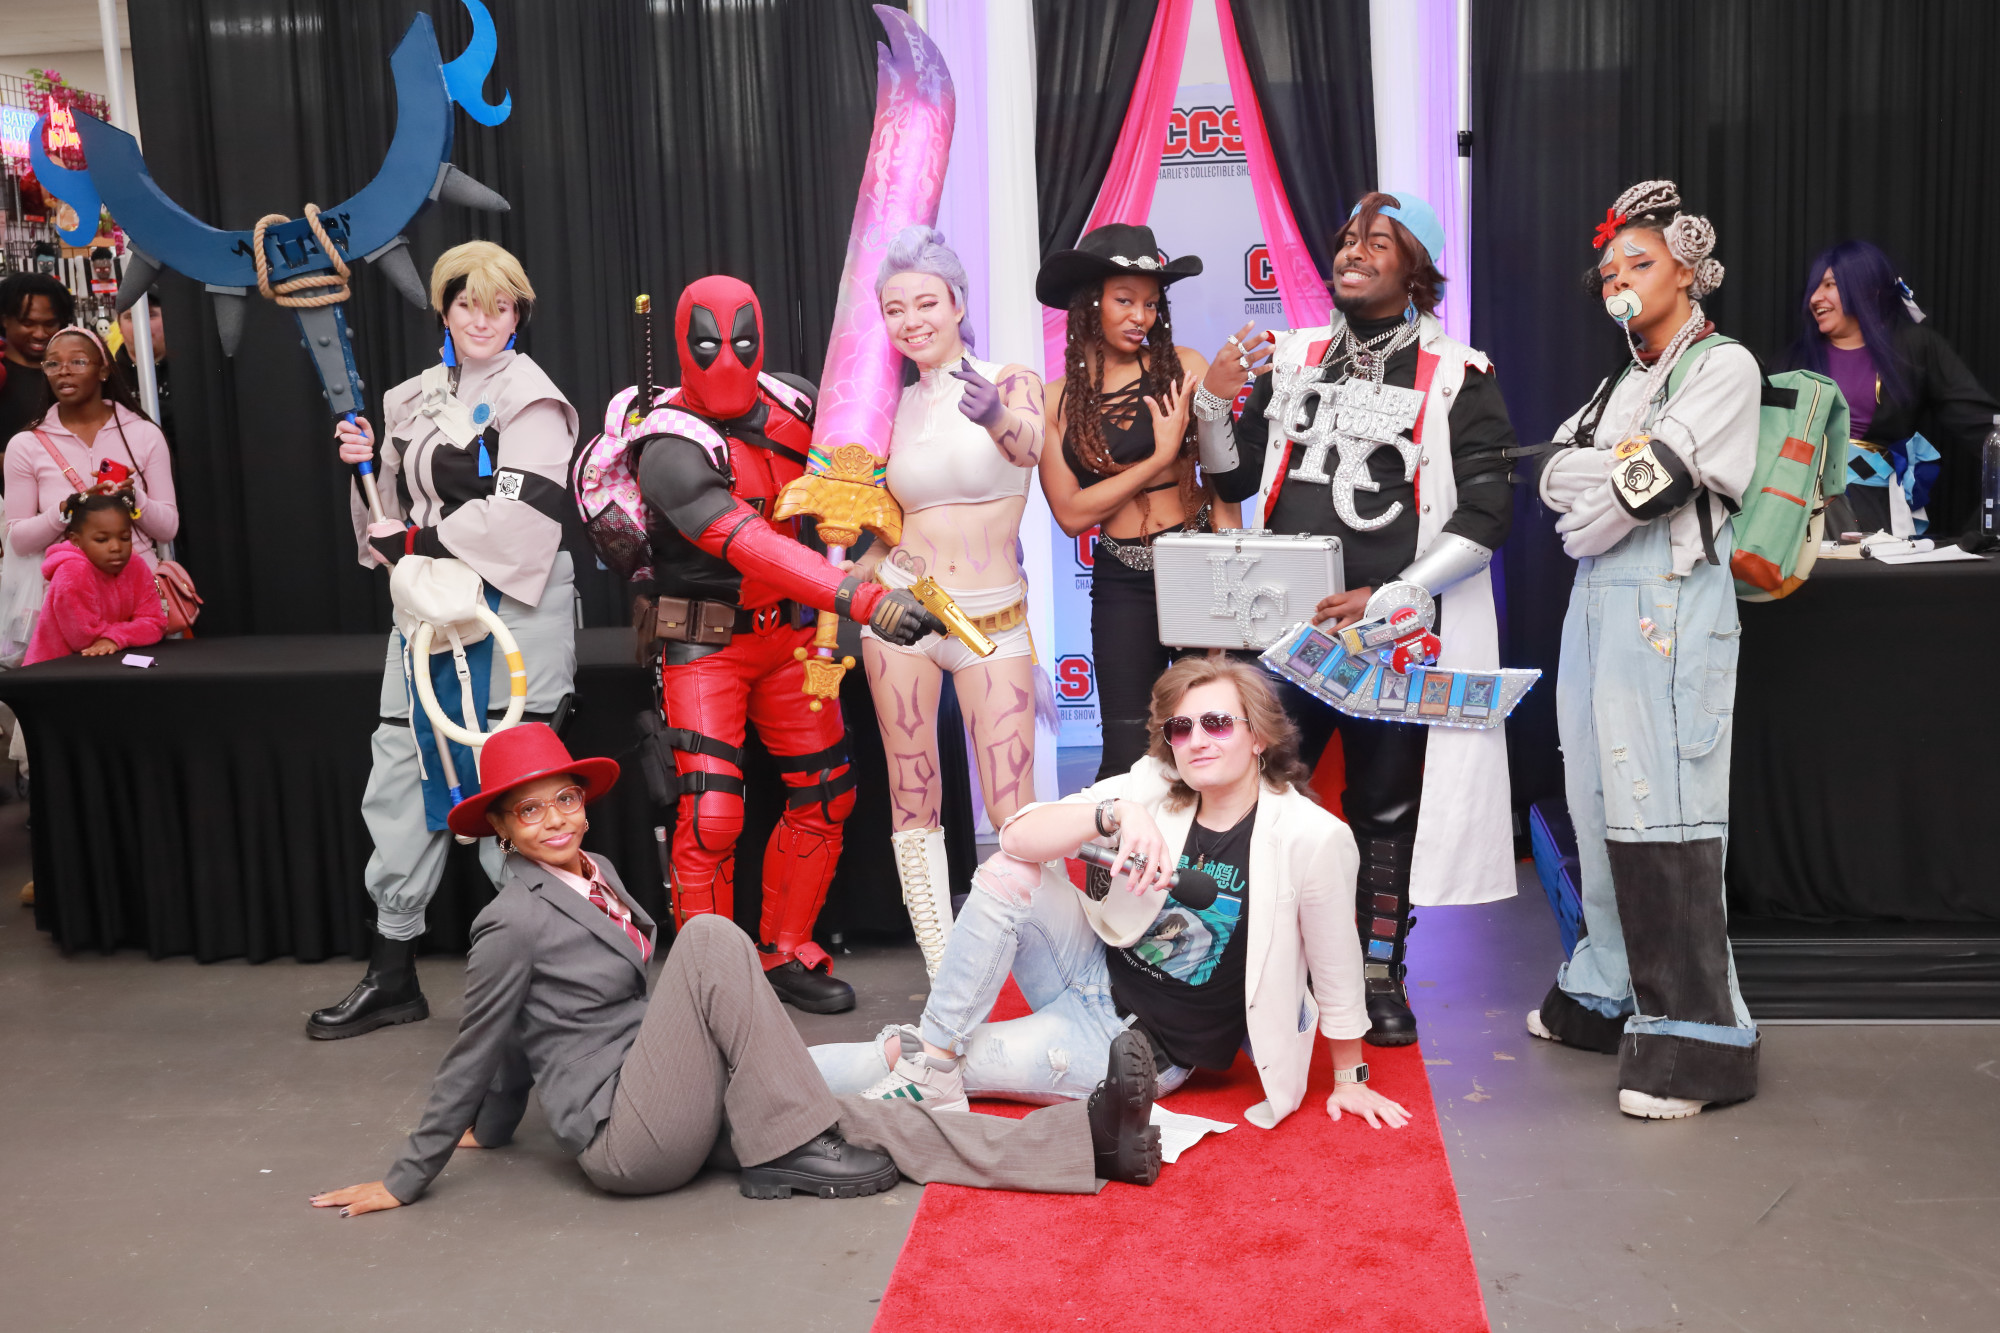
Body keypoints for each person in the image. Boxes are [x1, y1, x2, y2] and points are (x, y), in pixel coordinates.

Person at [308, 723, 1162, 1218]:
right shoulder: (510, 918)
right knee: (713, 936)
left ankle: (1083, 1145)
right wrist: (408, 1175)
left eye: (564, 799)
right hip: (625, 1137)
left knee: (874, 1118)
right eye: (530, 811)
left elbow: (526, 1037)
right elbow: (486, 1041)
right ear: (502, 828)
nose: (555, 819)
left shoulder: (600, 872)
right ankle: (793, 1143)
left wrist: (496, 1129)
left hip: (669, 1085)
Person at [812, 656, 1411, 1138]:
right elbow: (1017, 835)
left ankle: (815, 1074)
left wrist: (1351, 1077)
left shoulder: (1311, 836)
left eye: (1217, 723)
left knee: (905, 1053)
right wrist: (1114, 812)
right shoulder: (1156, 785)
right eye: (1181, 728)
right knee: (1007, 874)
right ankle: (935, 1059)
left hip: (1135, 1047)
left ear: (1258, 736)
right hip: (1085, 971)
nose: (1197, 740)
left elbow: (1336, 963)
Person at [1218, 190, 1522, 1049]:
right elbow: (1234, 479)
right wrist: (1211, 406)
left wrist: (1392, 595)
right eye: (1348, 238)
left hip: (1392, 636)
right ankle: (1260, 969)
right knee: (1260, 795)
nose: (1352, 251)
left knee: (1385, 810)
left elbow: (1487, 515)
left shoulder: (1459, 375)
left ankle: (1378, 974)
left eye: (1377, 242)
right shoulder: (1293, 357)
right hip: (1285, 629)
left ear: (1415, 268)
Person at [616, 275, 945, 1015]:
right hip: (705, 645)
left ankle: (785, 949)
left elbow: (868, 472)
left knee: (827, 793)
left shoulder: (795, 401)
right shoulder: (668, 445)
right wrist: (865, 601)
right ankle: (709, 983)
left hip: (794, 639)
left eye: (742, 341)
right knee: (711, 815)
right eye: (708, 345)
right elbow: (751, 545)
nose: (728, 359)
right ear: (682, 345)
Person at [308, 241, 580, 1041]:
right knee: (401, 771)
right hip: (428, 615)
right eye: (467, 304)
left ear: (519, 313)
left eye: (499, 306)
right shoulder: (410, 400)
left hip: (511, 614)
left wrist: (417, 542)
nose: (482, 320)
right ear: (444, 310)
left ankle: (549, 981)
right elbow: (384, 518)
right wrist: (363, 468)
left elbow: (526, 519)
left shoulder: (535, 400)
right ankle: (392, 973)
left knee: (518, 785)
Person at [1531, 180, 1762, 1119]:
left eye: (1640, 261)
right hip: (1595, 608)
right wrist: (1619, 481)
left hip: (1671, 607)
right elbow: (1554, 468)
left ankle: (1697, 1035)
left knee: (1664, 812)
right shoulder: (1617, 380)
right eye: (1609, 268)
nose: (1619, 278)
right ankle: (1608, 985)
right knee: (1596, 798)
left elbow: (1659, 476)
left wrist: (1623, 486)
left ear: (1688, 272)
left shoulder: (1724, 366)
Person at [841, 227, 1046, 977]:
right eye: (895, 308)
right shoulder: (886, 408)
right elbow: (884, 524)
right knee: (912, 793)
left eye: (926, 302)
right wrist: (850, 582)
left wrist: (993, 415)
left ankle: (1033, 961)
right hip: (905, 611)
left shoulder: (1011, 380)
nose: (912, 320)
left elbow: (1032, 447)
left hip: (992, 619)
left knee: (1013, 807)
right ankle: (942, 971)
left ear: (958, 303)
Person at [1035, 223, 1258, 783]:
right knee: (1127, 751)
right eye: (1125, 300)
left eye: (1152, 303)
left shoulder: (1183, 368)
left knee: (1212, 737)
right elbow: (1070, 514)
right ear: (1090, 303)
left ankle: (1215, 845)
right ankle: (1130, 845)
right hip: (1120, 579)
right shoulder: (1054, 400)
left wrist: (1228, 589)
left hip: (1196, 565)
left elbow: (1223, 485)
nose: (1141, 316)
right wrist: (1157, 457)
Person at [1783, 240, 1998, 537]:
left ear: (1869, 290)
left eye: (1830, 285)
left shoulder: (1914, 349)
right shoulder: (1792, 361)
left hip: (1871, 516)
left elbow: (1984, 429)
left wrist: (1983, 533)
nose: (1815, 297)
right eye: (1814, 288)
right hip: (1794, 511)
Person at [5, 325, 178, 573]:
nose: (64, 371)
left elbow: (168, 529)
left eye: (78, 361)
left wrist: (134, 498)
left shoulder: (144, 434)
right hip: (67, 587)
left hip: (138, 584)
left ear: (103, 370)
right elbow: (19, 542)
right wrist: (66, 509)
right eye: (53, 364)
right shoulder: (25, 444)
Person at [22, 490, 163, 664]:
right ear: (76, 540)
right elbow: (83, 637)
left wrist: (115, 637)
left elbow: (156, 623)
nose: (116, 547)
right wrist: (130, 633)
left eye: (125, 538)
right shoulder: (72, 571)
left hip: (109, 665)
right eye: (102, 540)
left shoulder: (136, 565)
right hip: (53, 670)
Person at [0, 273, 73, 454]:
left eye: (50, 323)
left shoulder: (75, 373)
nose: (40, 334)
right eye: (28, 323)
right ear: (4, 320)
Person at [114, 288, 174, 451]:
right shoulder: (109, 377)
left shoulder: (187, 373)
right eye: (130, 317)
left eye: (151, 315)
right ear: (119, 326)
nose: (141, 324)